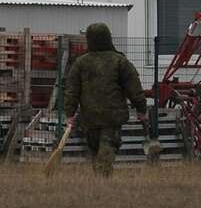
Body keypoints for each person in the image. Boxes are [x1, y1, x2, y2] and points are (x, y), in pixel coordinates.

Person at [62, 22, 145, 176]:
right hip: (112, 117)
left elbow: (71, 91)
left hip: (89, 117)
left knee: (95, 152)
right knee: (107, 149)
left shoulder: (81, 63)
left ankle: (101, 182)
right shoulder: (119, 61)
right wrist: (141, 109)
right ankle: (103, 182)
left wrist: (70, 113)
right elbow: (134, 88)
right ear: (108, 38)